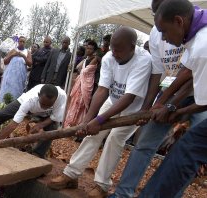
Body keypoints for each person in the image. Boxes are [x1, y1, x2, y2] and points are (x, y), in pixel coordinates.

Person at [110, 0, 207, 197]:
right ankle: (123, 194)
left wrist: (173, 108)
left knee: (187, 152)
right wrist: (161, 102)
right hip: (183, 94)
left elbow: (200, 95)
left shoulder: (202, 46)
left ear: (178, 20)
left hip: (199, 98)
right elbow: (184, 73)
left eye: (164, 31)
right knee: (149, 144)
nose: (163, 37)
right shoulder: (195, 27)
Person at [48, 27, 152, 198]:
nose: (115, 54)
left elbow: (129, 97)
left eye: (119, 50)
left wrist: (101, 119)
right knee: (91, 134)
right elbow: (102, 90)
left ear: (132, 47)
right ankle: (71, 174)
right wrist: (88, 120)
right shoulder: (109, 58)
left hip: (133, 109)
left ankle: (102, 185)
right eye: (112, 49)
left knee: (114, 140)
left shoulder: (143, 60)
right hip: (112, 101)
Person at [0, 84, 66, 158]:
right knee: (1, 115)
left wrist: (40, 125)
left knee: (52, 128)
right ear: (38, 96)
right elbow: (13, 125)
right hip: (26, 104)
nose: (45, 107)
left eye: (49, 105)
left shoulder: (61, 97)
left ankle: (37, 154)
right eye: (43, 104)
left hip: (47, 115)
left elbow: (55, 117)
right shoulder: (29, 99)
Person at [64, 40, 99, 128]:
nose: (88, 50)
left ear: (94, 50)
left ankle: (78, 125)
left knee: (81, 104)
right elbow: (77, 68)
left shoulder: (95, 59)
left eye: (90, 49)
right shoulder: (86, 59)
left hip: (86, 84)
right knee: (74, 102)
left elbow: (85, 71)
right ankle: (70, 123)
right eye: (87, 48)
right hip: (80, 83)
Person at [0, 36, 32, 103]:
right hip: (10, 76)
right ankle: (3, 104)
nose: (21, 43)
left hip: (20, 77)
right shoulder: (13, 50)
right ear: (18, 42)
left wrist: (23, 56)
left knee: (17, 91)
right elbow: (5, 62)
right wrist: (13, 55)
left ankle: (13, 106)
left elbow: (30, 64)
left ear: (25, 43)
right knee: (7, 89)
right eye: (20, 41)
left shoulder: (27, 52)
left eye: (23, 42)